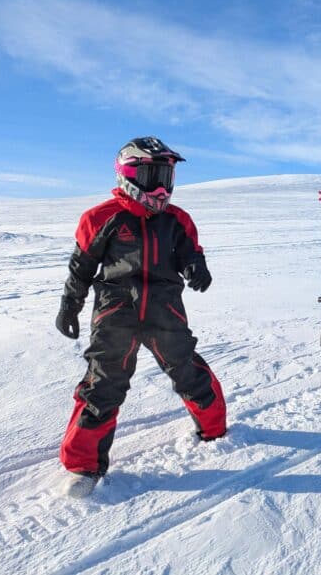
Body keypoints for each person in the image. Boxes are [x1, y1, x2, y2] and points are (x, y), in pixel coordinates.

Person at [55, 136, 226, 498]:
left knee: (188, 371)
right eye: (153, 176)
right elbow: (81, 267)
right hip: (117, 313)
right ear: (129, 175)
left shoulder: (177, 220)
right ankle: (83, 465)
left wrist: (197, 266)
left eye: (167, 176)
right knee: (103, 384)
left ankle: (215, 431)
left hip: (165, 311)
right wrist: (70, 305)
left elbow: (190, 252)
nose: (162, 187)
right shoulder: (102, 218)